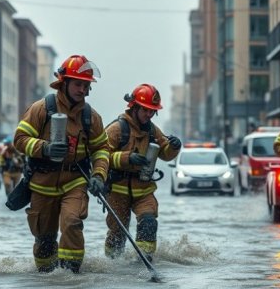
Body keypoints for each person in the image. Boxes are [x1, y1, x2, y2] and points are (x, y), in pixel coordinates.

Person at [13, 54, 110, 274]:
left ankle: (71, 279)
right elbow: (19, 140)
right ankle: (47, 283)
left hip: (75, 181)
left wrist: (98, 176)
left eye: (86, 85)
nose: (82, 90)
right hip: (42, 183)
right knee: (45, 239)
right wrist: (44, 148)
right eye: (78, 84)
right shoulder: (41, 109)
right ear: (63, 82)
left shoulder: (90, 117)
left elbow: (101, 149)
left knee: (72, 222)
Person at [103, 84, 181, 262]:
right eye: (145, 110)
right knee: (117, 232)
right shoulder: (116, 129)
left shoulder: (152, 130)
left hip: (143, 190)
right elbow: (101, 156)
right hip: (118, 190)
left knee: (149, 222)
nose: (149, 115)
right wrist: (127, 158)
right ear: (135, 107)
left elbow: (165, 153)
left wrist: (174, 147)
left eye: (152, 111)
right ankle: (113, 264)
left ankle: (144, 261)